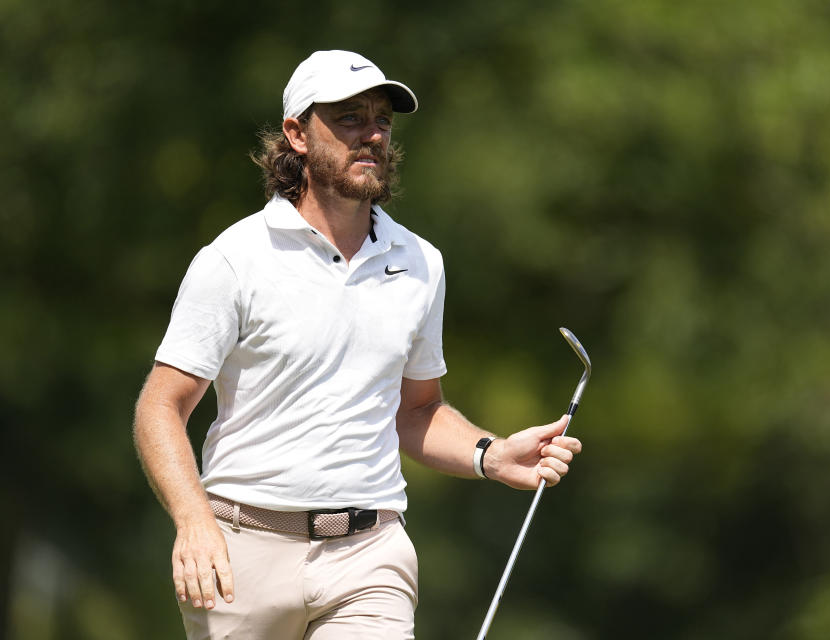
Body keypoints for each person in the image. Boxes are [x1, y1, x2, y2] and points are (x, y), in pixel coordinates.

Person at [133, 49, 582, 640]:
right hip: (240, 554)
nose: (372, 135)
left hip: (369, 557)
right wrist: (191, 520)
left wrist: (491, 455)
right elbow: (159, 408)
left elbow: (417, 409)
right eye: (348, 119)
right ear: (296, 134)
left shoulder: (422, 263)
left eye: (382, 120)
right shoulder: (233, 260)